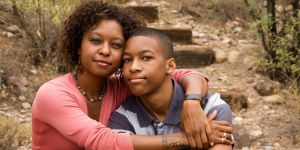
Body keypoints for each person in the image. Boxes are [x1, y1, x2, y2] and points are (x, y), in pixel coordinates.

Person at [32, 1, 216, 150]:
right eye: (96, 41)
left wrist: (192, 102)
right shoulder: (53, 93)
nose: (105, 51)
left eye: (116, 45)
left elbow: (186, 75)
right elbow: (101, 141)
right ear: (78, 46)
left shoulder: (120, 85)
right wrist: (184, 139)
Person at [107, 27, 234, 149]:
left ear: (170, 66)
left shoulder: (211, 108)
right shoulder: (122, 117)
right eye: (127, 60)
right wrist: (188, 139)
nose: (133, 67)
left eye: (146, 58)